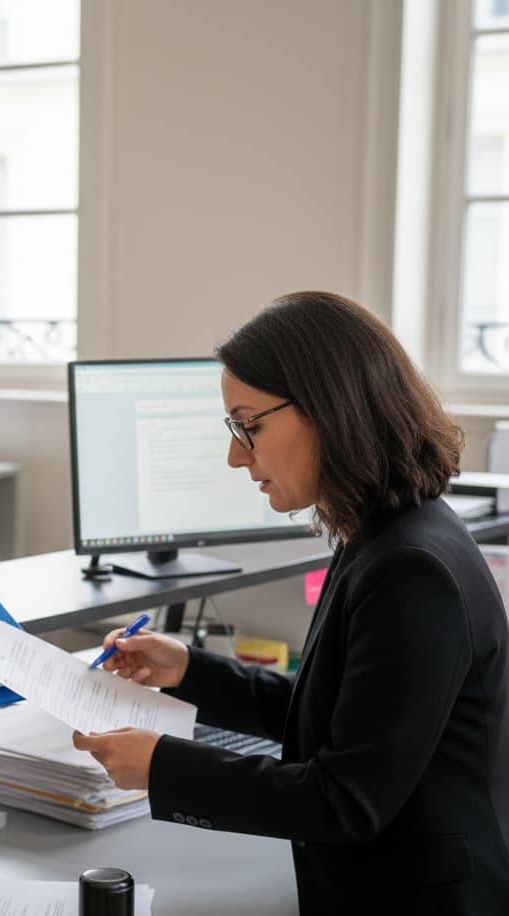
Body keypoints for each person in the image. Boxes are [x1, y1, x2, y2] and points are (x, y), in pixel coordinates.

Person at [74, 291, 509, 914]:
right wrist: (190, 670)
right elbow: (337, 721)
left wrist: (163, 767)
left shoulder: (413, 569)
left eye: (249, 425)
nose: (235, 454)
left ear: (330, 408)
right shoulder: (386, 531)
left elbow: (346, 798)